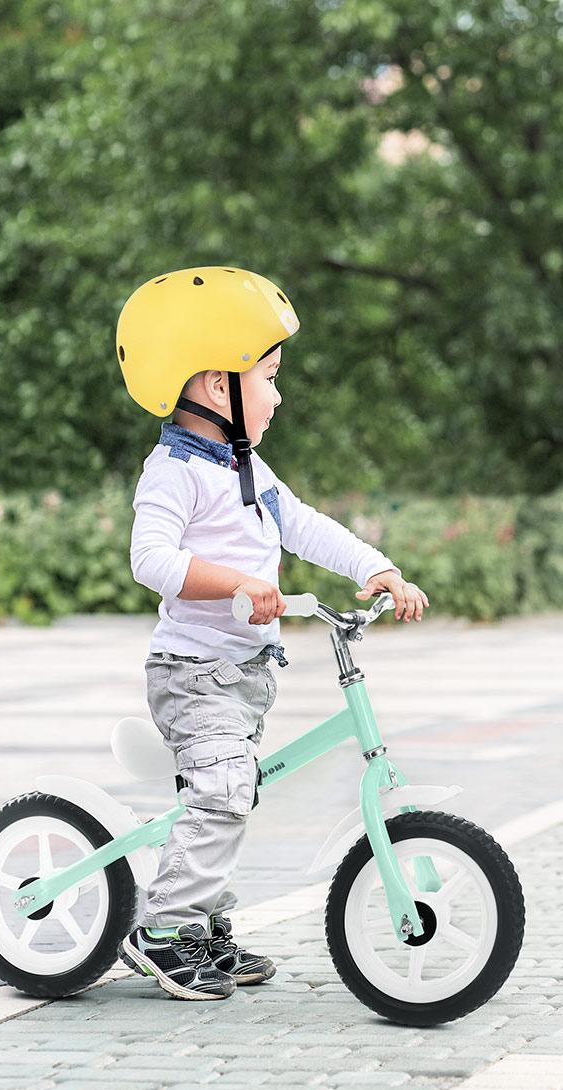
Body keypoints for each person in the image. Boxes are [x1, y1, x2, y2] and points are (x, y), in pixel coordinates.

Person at [114, 265, 429, 1000]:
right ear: (216, 386)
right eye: (270, 376)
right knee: (224, 793)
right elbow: (149, 559)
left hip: (244, 672)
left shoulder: (244, 465)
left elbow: (305, 525)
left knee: (230, 796)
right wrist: (241, 583)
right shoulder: (174, 471)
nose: (279, 394)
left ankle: (204, 928)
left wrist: (376, 568)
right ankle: (163, 929)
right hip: (192, 671)